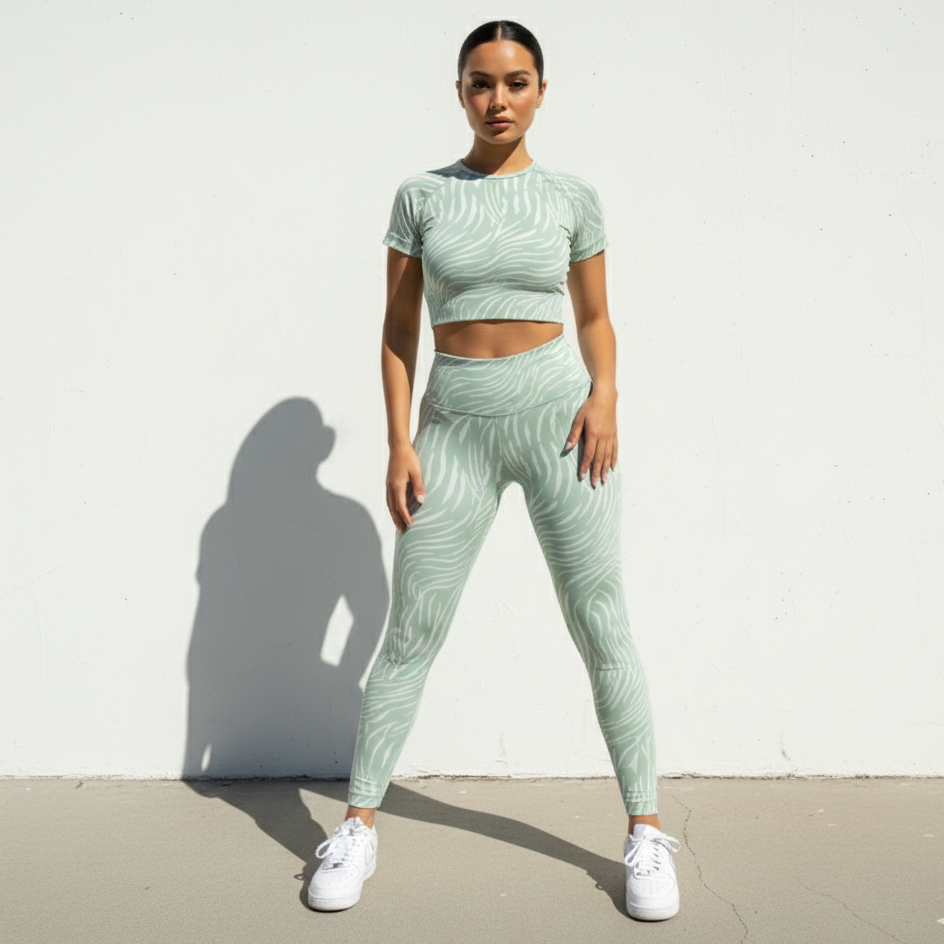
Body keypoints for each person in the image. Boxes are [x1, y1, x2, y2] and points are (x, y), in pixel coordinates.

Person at [307, 20, 680, 922]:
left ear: (542, 91)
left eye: (516, 82)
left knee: (601, 621)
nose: (498, 99)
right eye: (481, 83)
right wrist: (400, 442)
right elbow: (399, 330)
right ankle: (357, 827)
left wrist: (606, 396)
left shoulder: (572, 196)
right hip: (455, 427)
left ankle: (645, 832)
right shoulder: (422, 197)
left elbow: (595, 317)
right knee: (412, 631)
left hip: (561, 422)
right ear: (460, 93)